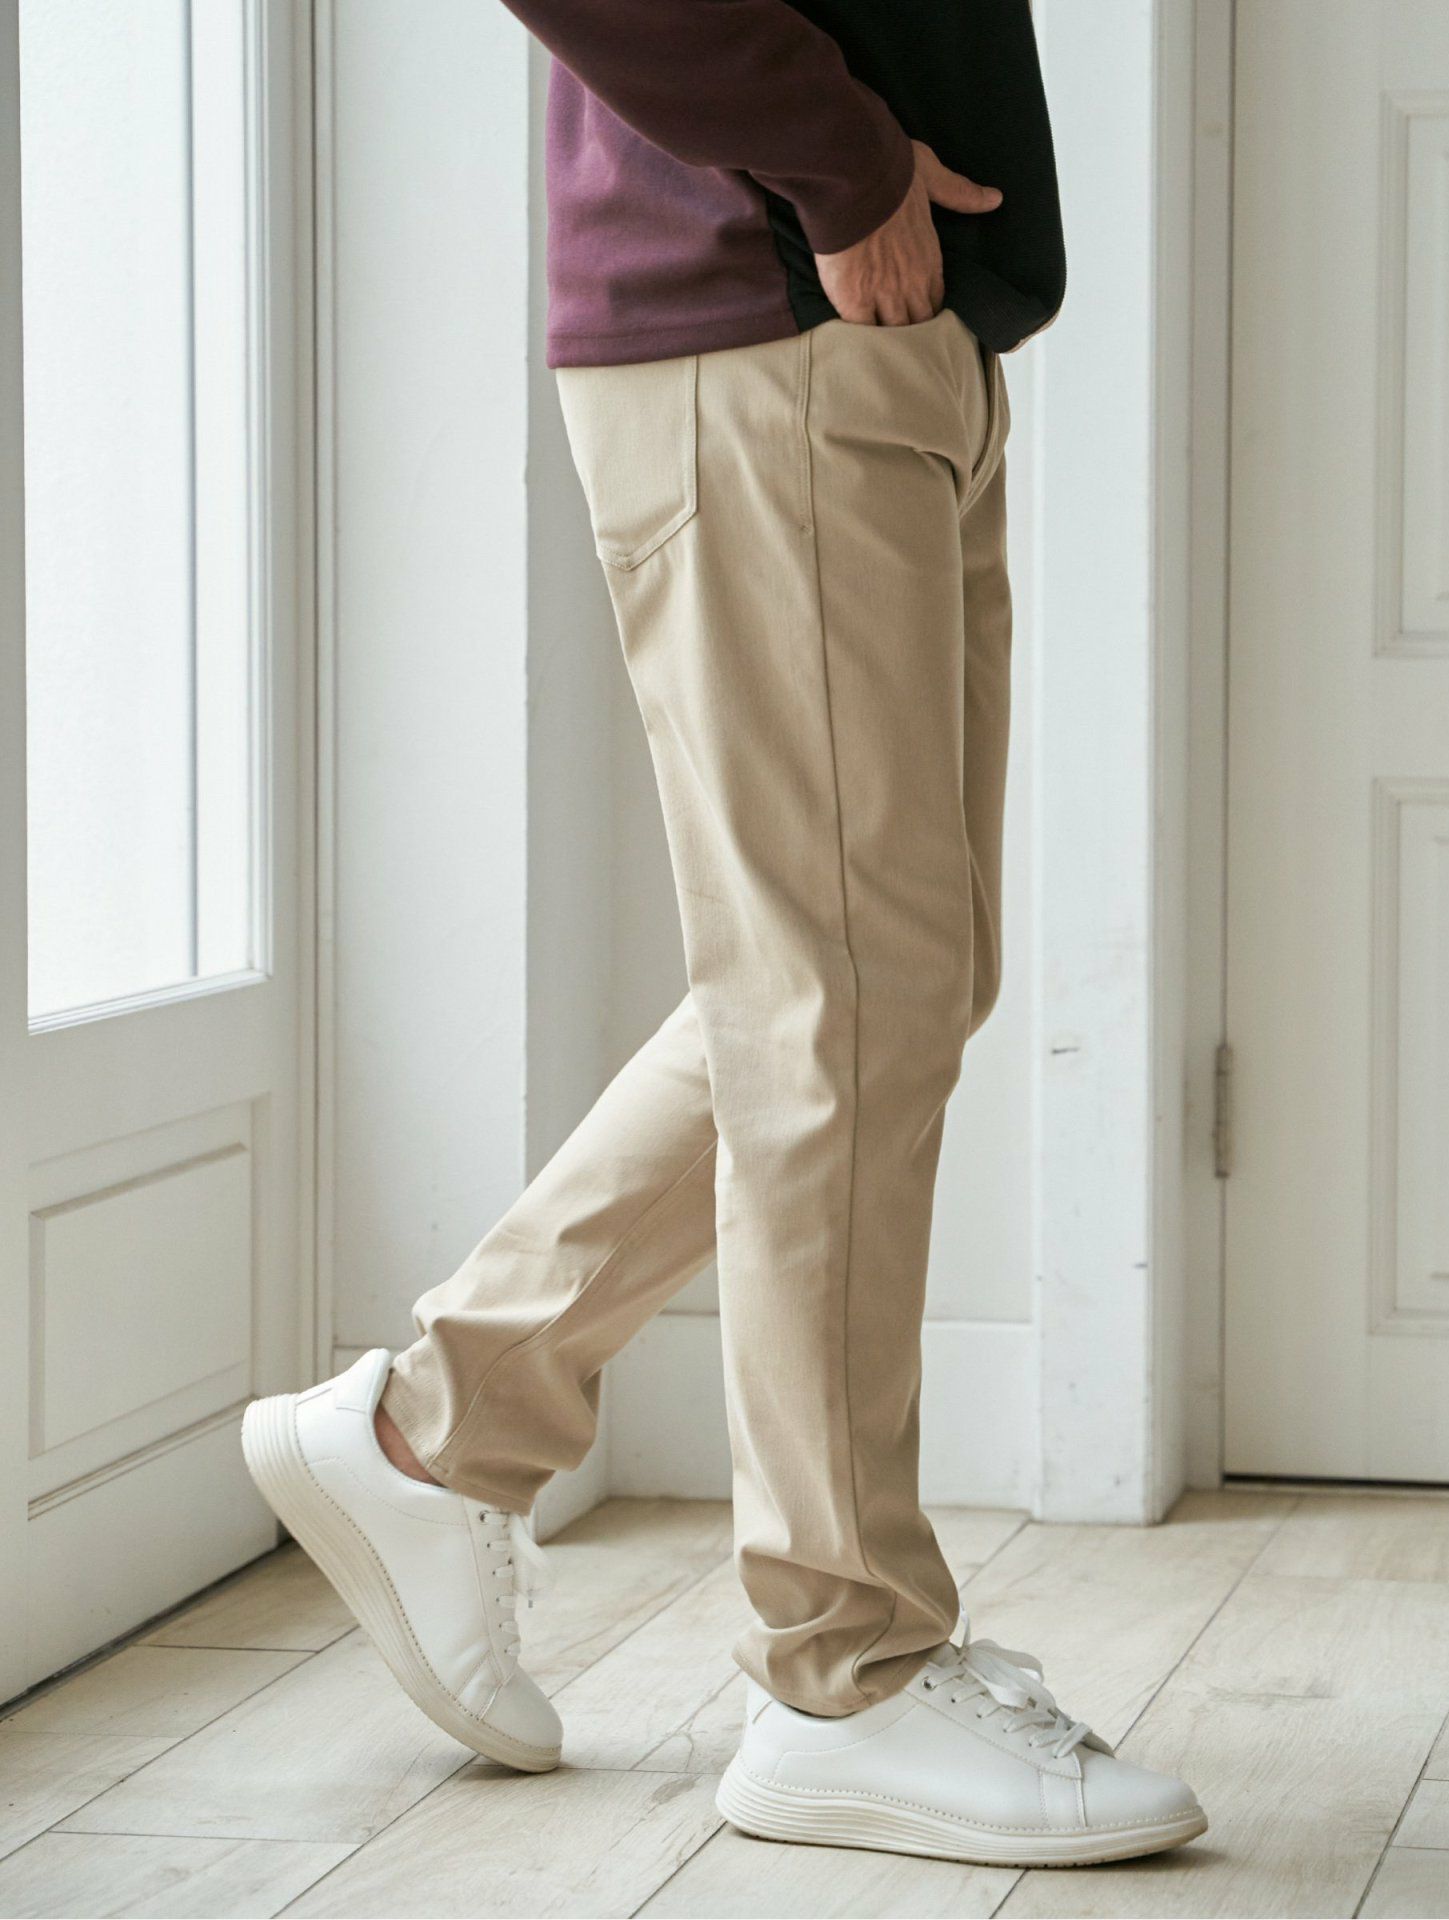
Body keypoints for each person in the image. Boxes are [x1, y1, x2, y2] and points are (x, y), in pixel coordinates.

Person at [243, 0, 1207, 1867]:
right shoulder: (808, 221)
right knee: (834, 999)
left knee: (874, 983)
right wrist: (843, 167)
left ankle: (443, 1427)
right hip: (777, 299)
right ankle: (843, 1673)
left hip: (880, 322)